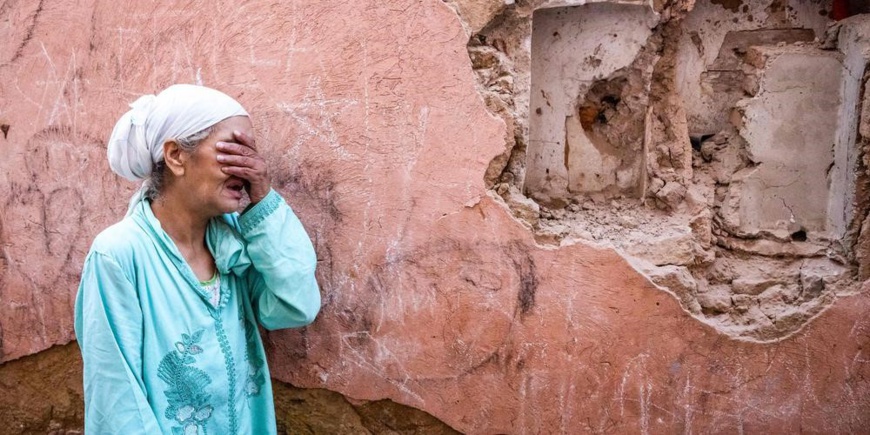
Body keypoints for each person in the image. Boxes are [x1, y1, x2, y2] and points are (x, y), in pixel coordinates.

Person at [74, 84, 321, 434]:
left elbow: (295, 305)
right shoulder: (118, 255)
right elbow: (117, 401)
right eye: (234, 151)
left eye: (252, 153)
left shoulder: (231, 246)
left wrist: (263, 198)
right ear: (176, 155)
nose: (248, 168)